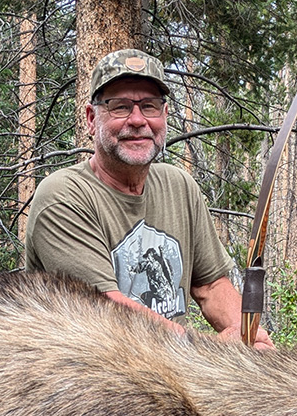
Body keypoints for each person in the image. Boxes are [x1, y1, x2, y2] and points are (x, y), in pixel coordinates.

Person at [25, 48, 274, 349]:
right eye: (119, 107)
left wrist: (247, 336)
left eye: (150, 106)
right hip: (86, 381)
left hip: (171, 376)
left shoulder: (178, 186)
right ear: (91, 119)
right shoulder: (63, 197)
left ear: (164, 116)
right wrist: (213, 351)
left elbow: (211, 286)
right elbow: (106, 311)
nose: (137, 120)